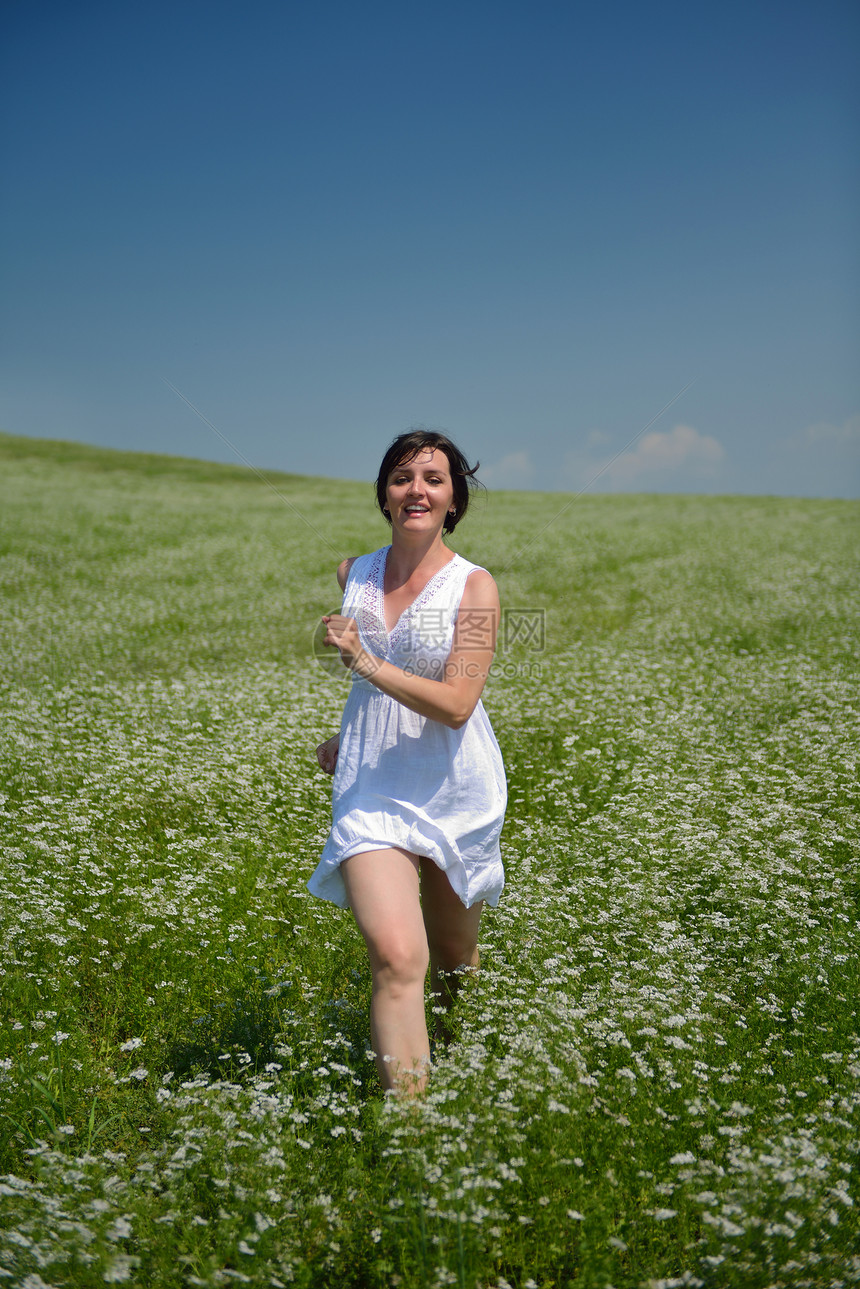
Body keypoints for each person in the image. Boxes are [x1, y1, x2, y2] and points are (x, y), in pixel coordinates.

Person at [308, 430, 507, 1095]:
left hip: (455, 785)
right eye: (401, 477)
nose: (416, 488)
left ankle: (455, 1063)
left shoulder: (475, 588)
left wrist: (366, 662)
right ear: (384, 496)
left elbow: (456, 702)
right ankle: (411, 1142)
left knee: (453, 958)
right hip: (371, 787)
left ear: (453, 501)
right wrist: (352, 731)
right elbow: (371, 682)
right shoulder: (352, 573)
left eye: (434, 478)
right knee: (399, 956)